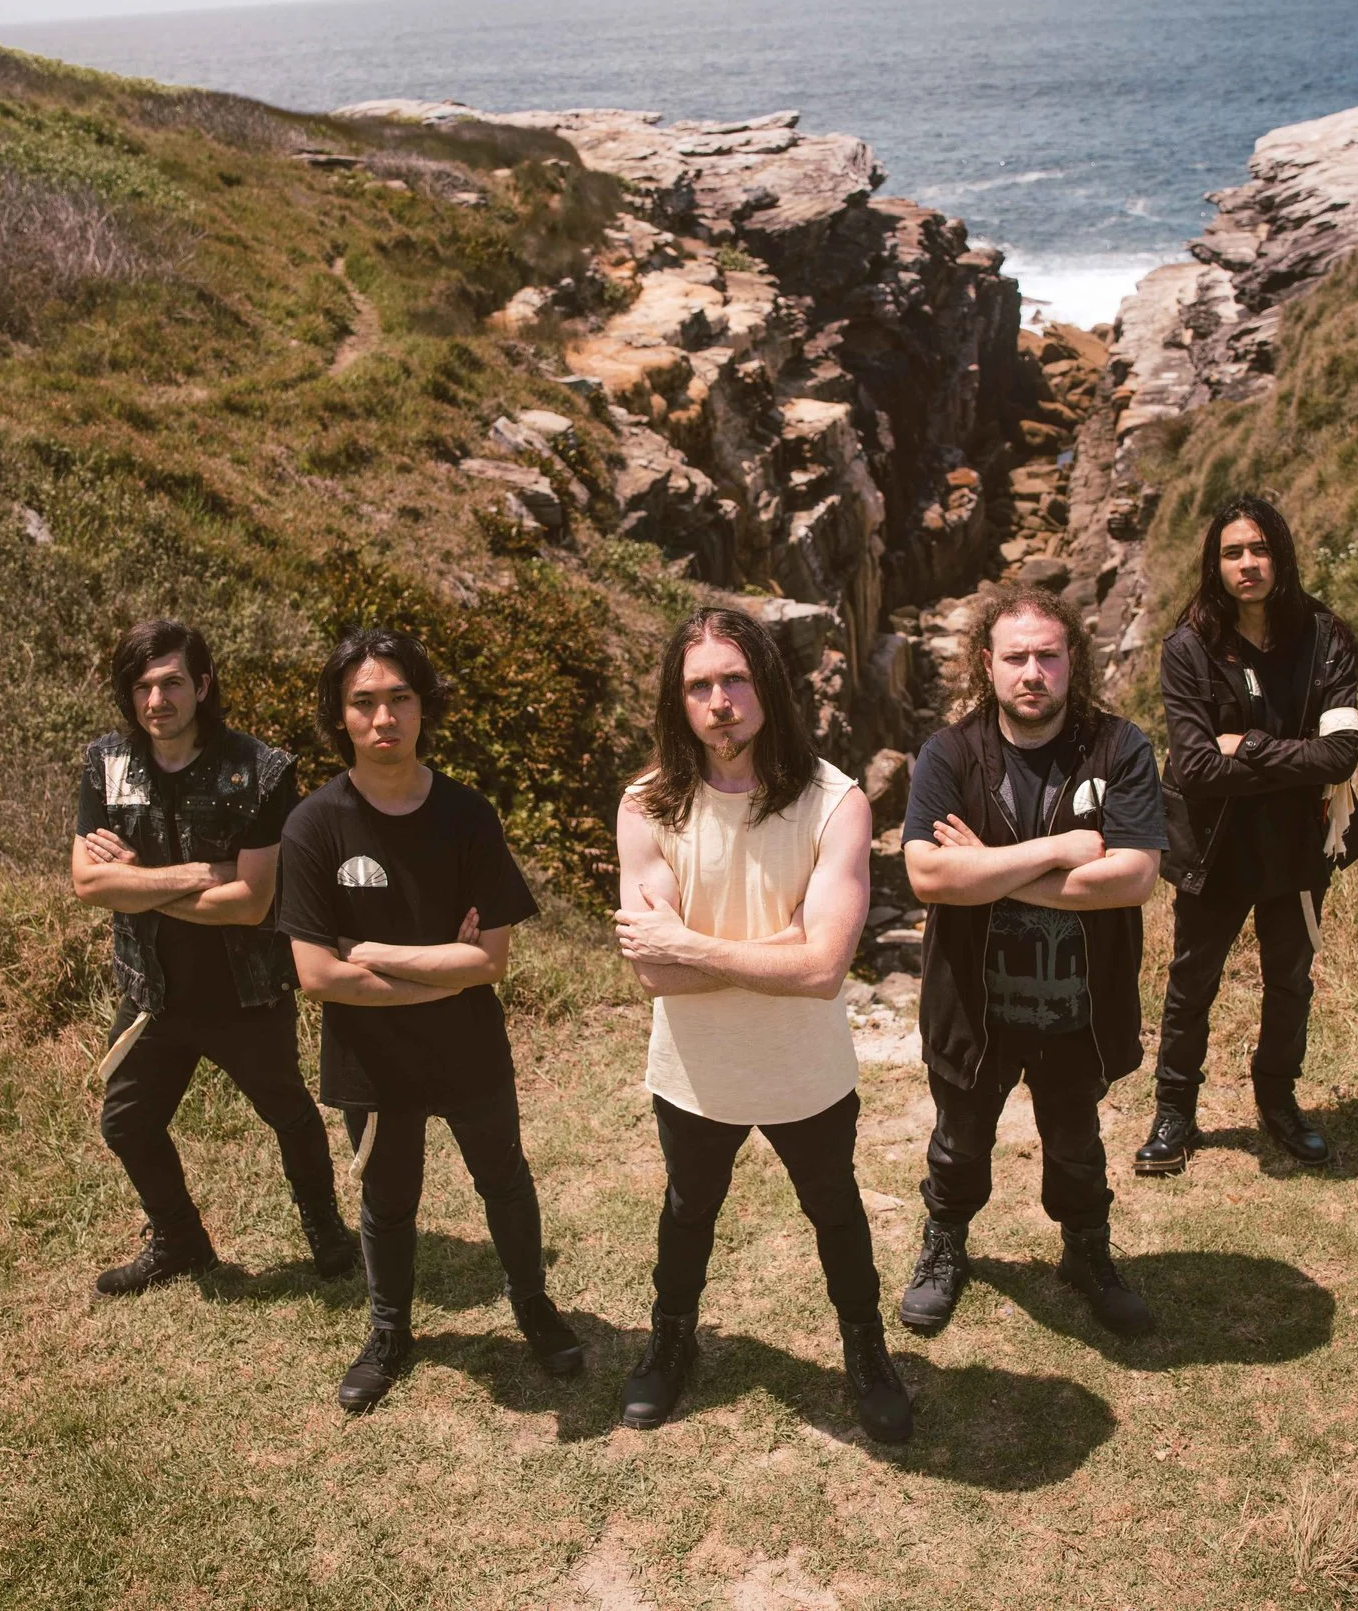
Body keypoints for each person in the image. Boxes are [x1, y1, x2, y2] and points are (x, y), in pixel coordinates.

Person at [612, 608, 909, 1443]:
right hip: (694, 1070)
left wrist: (693, 943)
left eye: (734, 678)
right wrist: (774, 943)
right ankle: (670, 1344)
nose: (720, 701)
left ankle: (866, 1349)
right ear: (680, 701)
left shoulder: (833, 801)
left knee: (836, 1211)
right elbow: (650, 969)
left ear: (768, 685)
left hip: (805, 1069)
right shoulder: (646, 806)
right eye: (699, 685)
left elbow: (821, 972)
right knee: (687, 1210)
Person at [275, 628, 583, 1414]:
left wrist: (374, 952)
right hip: (369, 1059)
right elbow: (316, 976)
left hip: (469, 1046)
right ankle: (389, 1330)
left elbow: (490, 962)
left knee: (504, 1180)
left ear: (423, 706)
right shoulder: (314, 825)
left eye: (400, 698)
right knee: (387, 1200)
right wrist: (438, 965)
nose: (385, 717)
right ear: (339, 716)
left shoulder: (467, 814)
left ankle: (534, 1309)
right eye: (364, 702)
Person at [894, 589, 1167, 1339]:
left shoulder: (1120, 748)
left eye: (1048, 654)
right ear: (988, 663)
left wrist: (991, 869)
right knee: (958, 1144)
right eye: (1016, 656)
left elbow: (1136, 877)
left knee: (1077, 1145)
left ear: (1072, 658)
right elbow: (928, 876)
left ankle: (1086, 1253)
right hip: (973, 1008)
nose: (1033, 671)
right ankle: (945, 1247)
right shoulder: (950, 753)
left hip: (1077, 1006)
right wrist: (1056, 851)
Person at [70, 619, 357, 1296]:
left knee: (288, 1113)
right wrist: (200, 871)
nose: (156, 700)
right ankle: (180, 1241)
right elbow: (88, 882)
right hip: (154, 993)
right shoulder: (106, 764)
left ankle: (325, 1226)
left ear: (201, 685)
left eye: (171, 682)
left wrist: (137, 881)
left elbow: (252, 901)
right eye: (141, 686)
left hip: (243, 990)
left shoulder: (259, 770)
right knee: (127, 1120)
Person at [1138, 497, 1358, 1176]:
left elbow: (1343, 755)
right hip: (1215, 845)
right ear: (1215, 563)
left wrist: (1252, 746)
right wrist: (1293, 755)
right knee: (1191, 982)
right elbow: (1199, 768)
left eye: (1259, 549)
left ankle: (1278, 1100)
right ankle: (1174, 1112)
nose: (1248, 564)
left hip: (1299, 844)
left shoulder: (1327, 636)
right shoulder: (1188, 648)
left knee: (1289, 979)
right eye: (1233, 552)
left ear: (1282, 555)